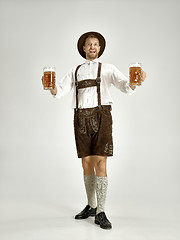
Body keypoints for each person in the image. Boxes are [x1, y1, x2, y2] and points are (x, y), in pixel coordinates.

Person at [42, 31, 146, 230]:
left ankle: (101, 211)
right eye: (89, 44)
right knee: (86, 163)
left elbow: (126, 86)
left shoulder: (108, 68)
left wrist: (135, 81)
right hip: (80, 117)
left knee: (100, 161)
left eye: (95, 44)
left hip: (102, 116)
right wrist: (50, 88)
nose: (92, 47)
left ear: (99, 48)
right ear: (83, 48)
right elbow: (59, 91)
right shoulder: (75, 69)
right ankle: (91, 205)